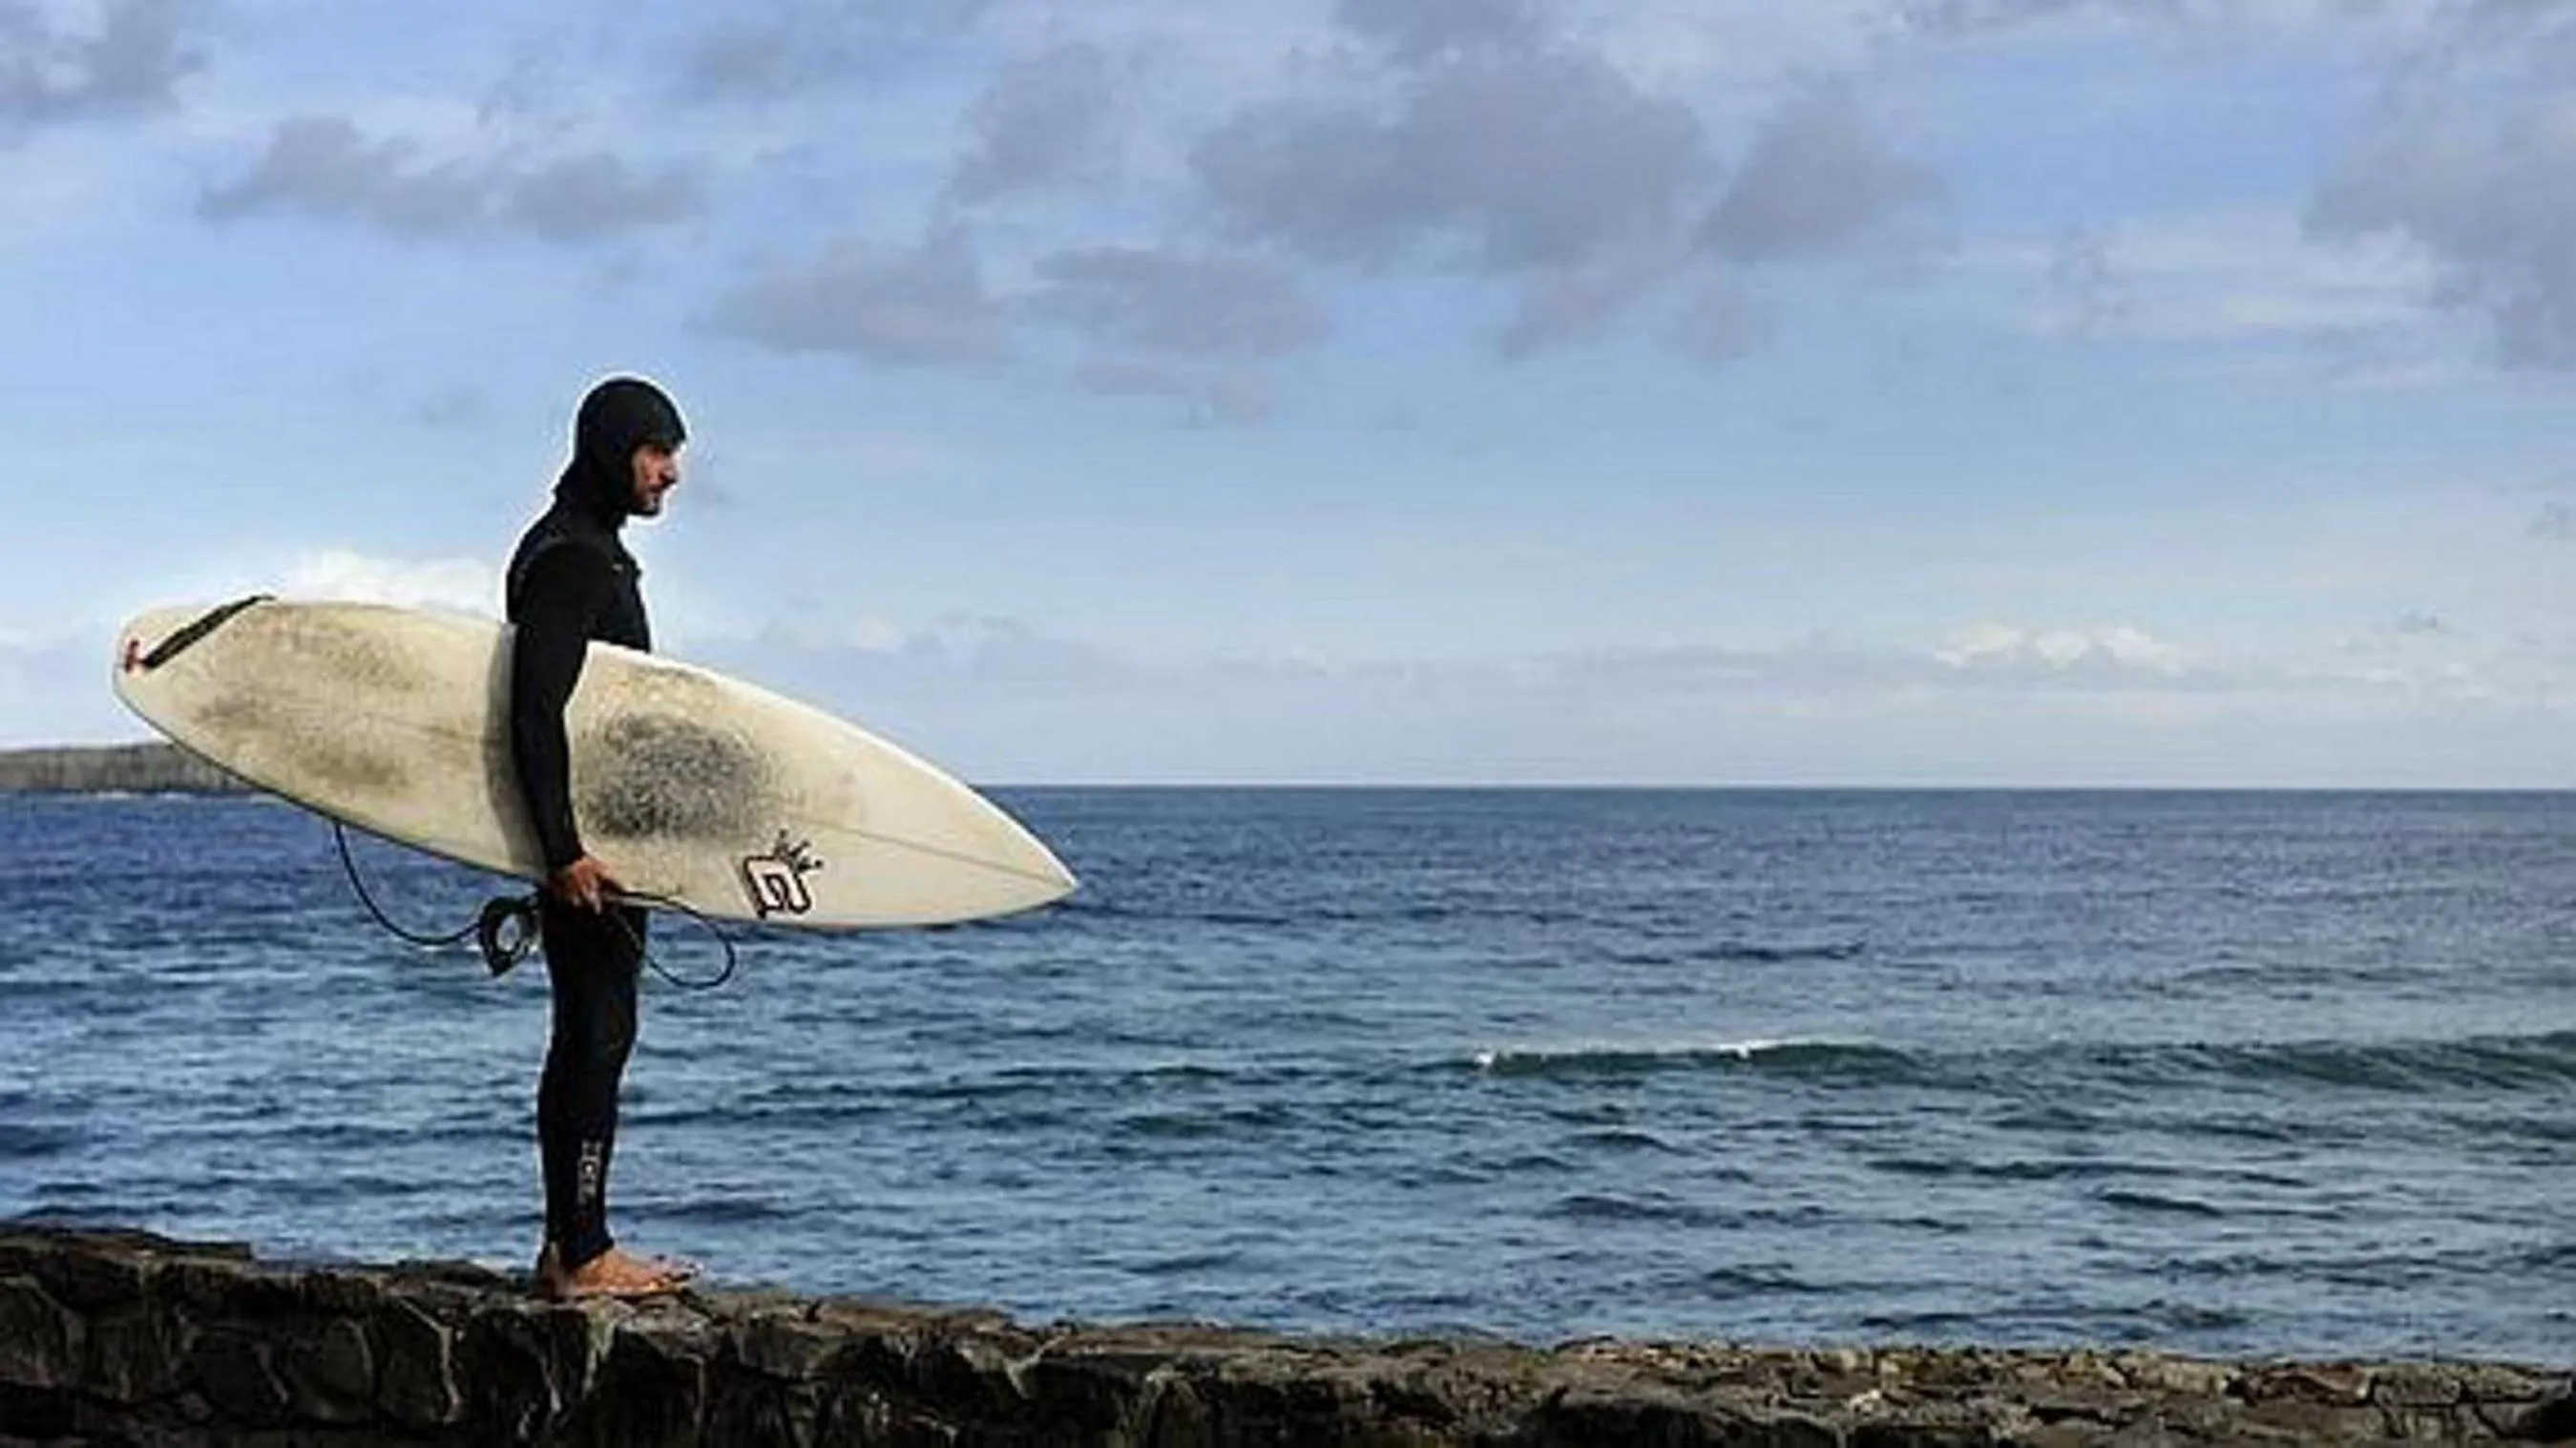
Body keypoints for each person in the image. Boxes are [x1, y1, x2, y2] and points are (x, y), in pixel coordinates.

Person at [505, 375, 693, 1301]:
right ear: (614, 449)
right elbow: (535, 711)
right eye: (658, 453)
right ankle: (583, 1252)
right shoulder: (572, 559)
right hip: (588, 853)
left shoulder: (588, 548)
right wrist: (563, 848)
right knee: (594, 1033)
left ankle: (569, 1245)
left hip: (600, 842)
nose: (670, 473)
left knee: (591, 1034)